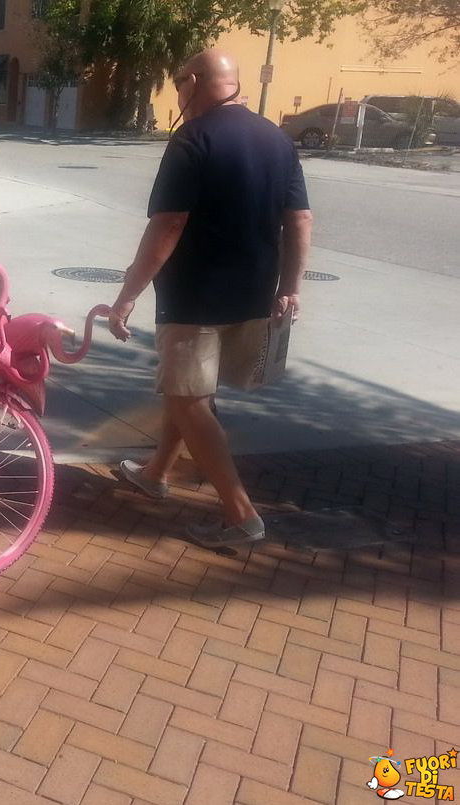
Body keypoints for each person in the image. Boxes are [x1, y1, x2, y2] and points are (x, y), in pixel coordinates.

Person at [108, 48, 313, 548]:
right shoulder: (276, 139)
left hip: (193, 298)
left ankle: (241, 516)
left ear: (194, 81)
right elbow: (300, 220)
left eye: (178, 82)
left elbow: (168, 226)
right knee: (192, 393)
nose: (177, 92)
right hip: (254, 295)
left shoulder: (191, 139)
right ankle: (154, 473)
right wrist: (290, 286)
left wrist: (127, 296)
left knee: (189, 398)